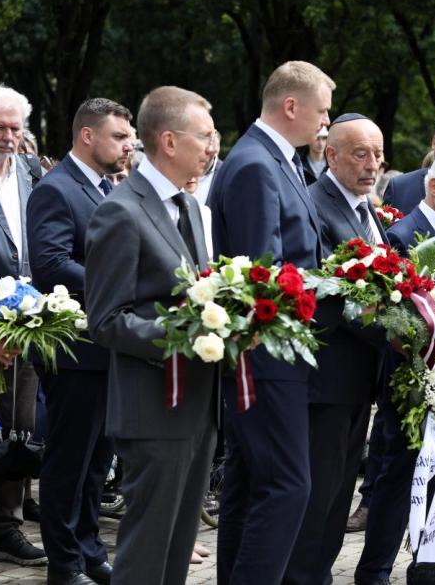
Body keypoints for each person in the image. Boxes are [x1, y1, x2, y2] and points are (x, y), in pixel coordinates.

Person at [84, 85, 217, 585]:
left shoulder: (189, 207)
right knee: (146, 554)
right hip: (152, 409)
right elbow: (106, 320)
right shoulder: (121, 210)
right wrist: (188, 337)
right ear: (168, 140)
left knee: (178, 548)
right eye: (204, 136)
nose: (211, 147)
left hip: (199, 406)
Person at [208, 60, 332, 585]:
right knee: (286, 485)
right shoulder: (258, 163)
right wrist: (333, 286)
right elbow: (265, 274)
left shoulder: (272, 159)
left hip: (268, 352)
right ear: (291, 106)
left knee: (249, 482)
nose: (325, 122)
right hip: (267, 351)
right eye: (322, 111)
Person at [353, 148, 435, 585]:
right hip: (406, 378)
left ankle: (427, 565)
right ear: (433, 186)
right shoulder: (401, 236)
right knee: (397, 476)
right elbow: (389, 314)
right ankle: (373, 570)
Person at [28, 97, 133, 585]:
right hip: (75, 350)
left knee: (97, 463)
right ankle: (64, 564)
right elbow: (50, 263)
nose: (127, 145)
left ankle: (90, 551)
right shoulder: (56, 189)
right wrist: (117, 280)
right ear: (87, 136)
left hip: (108, 344)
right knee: (69, 462)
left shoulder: (108, 187)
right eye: (118, 136)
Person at [283, 114, 388, 585]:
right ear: (331, 154)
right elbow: (318, 295)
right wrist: (393, 330)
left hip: (357, 380)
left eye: (379, 155)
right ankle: (304, 575)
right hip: (325, 379)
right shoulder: (315, 205)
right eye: (361, 154)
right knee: (318, 494)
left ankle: (318, 572)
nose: (372, 165)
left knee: (339, 492)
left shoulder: (367, 209)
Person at [0, 83, 46, 566]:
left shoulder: (29, 171)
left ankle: (8, 527)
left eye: (15, 127)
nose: (9, 136)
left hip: (26, 321)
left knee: (19, 425)